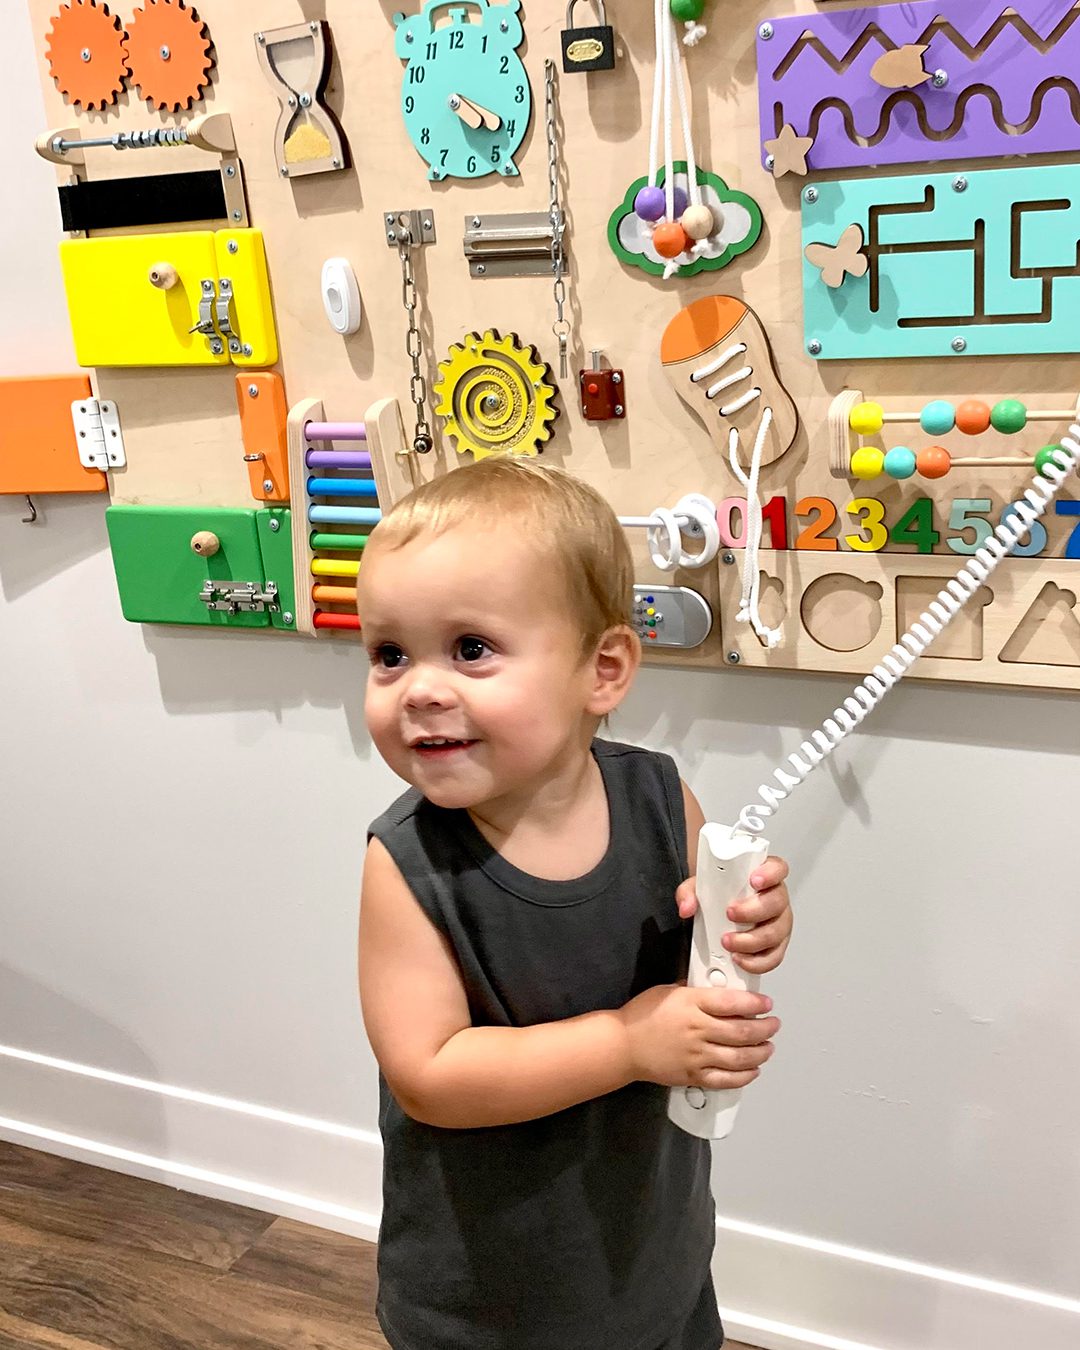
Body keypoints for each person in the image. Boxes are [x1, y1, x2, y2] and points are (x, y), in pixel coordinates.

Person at [357, 458, 793, 1350]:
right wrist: (628, 1044)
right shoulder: (406, 864)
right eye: (389, 655)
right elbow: (429, 1075)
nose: (421, 688)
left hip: (652, 1251)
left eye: (470, 649)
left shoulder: (661, 799)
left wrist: (756, 925)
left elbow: (709, 947)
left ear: (603, 669)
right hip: (491, 1302)